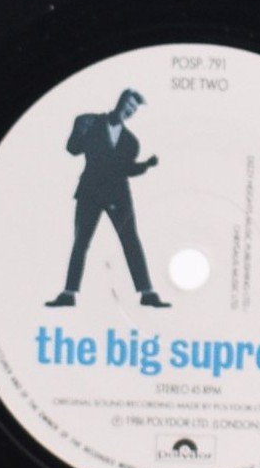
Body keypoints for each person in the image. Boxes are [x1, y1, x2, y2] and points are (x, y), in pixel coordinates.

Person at [46, 88, 171, 307]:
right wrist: (80, 129)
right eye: (129, 105)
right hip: (90, 193)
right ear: (120, 101)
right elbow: (73, 149)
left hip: (118, 195)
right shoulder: (89, 121)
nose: (130, 111)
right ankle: (68, 294)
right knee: (80, 242)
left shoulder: (131, 141)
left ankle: (147, 293)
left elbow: (126, 169)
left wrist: (146, 165)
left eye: (134, 109)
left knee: (130, 240)